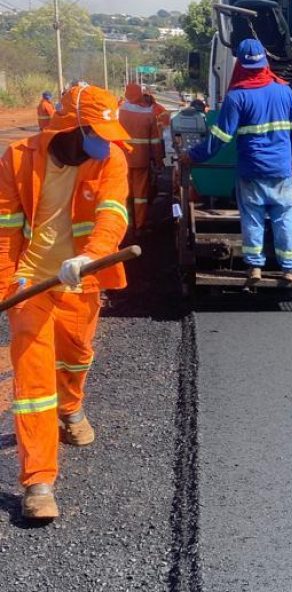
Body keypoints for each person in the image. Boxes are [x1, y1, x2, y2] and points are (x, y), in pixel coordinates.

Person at [0, 84, 131, 519]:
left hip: (81, 279)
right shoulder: (18, 159)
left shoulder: (111, 158)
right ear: (70, 127)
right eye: (97, 132)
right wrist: (8, 288)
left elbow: (113, 214)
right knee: (33, 382)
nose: (105, 141)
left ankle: (72, 407)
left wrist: (90, 257)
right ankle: (38, 482)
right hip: (31, 283)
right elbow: (4, 232)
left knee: (76, 358)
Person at [182, 38, 292, 285]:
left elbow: (220, 137)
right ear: (265, 62)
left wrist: (192, 156)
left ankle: (254, 268)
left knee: (253, 218)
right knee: (283, 217)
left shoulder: (237, 97)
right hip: (281, 169)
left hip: (251, 169)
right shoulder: (284, 91)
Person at [119, 84, 163, 232]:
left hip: (121, 160)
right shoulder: (149, 115)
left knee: (124, 193)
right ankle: (140, 225)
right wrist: (159, 162)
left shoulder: (120, 112)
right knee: (140, 196)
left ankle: (126, 224)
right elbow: (156, 143)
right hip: (141, 160)